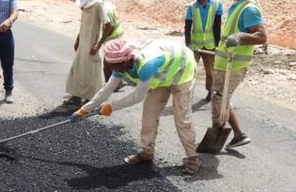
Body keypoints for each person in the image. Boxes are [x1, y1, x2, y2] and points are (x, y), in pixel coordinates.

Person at [71, 38, 202, 175]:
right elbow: (107, 89)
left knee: (182, 116)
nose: (113, 70)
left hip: (182, 70)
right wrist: (84, 110)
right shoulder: (120, 64)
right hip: (161, 75)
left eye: (115, 67)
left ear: (126, 61)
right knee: (149, 113)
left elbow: (137, 96)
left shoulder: (146, 65)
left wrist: (111, 107)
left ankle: (193, 156)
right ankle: (147, 152)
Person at [213, 0, 267, 149]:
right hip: (225, 62)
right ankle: (238, 134)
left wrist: (240, 37)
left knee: (220, 99)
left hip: (234, 65)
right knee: (221, 98)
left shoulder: (249, 9)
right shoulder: (237, 6)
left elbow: (261, 36)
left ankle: (218, 135)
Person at [63, 0, 106, 106]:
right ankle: (76, 97)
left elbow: (108, 25)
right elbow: (84, 24)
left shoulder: (98, 3)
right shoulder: (84, 2)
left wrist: (98, 45)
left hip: (93, 44)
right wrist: (77, 39)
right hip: (83, 43)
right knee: (78, 70)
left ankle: (91, 100)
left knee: (92, 74)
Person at [184, 0, 223, 102]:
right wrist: (188, 44)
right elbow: (187, 27)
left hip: (209, 45)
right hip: (195, 45)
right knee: (190, 69)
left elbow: (217, 27)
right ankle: (186, 92)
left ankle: (210, 91)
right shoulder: (191, 7)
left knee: (210, 72)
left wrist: (218, 45)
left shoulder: (217, 5)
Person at [92, 0, 125, 83]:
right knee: (115, 58)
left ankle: (113, 83)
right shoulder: (108, 4)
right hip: (118, 33)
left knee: (108, 61)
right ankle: (116, 81)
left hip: (112, 36)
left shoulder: (104, 9)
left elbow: (109, 27)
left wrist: (100, 42)